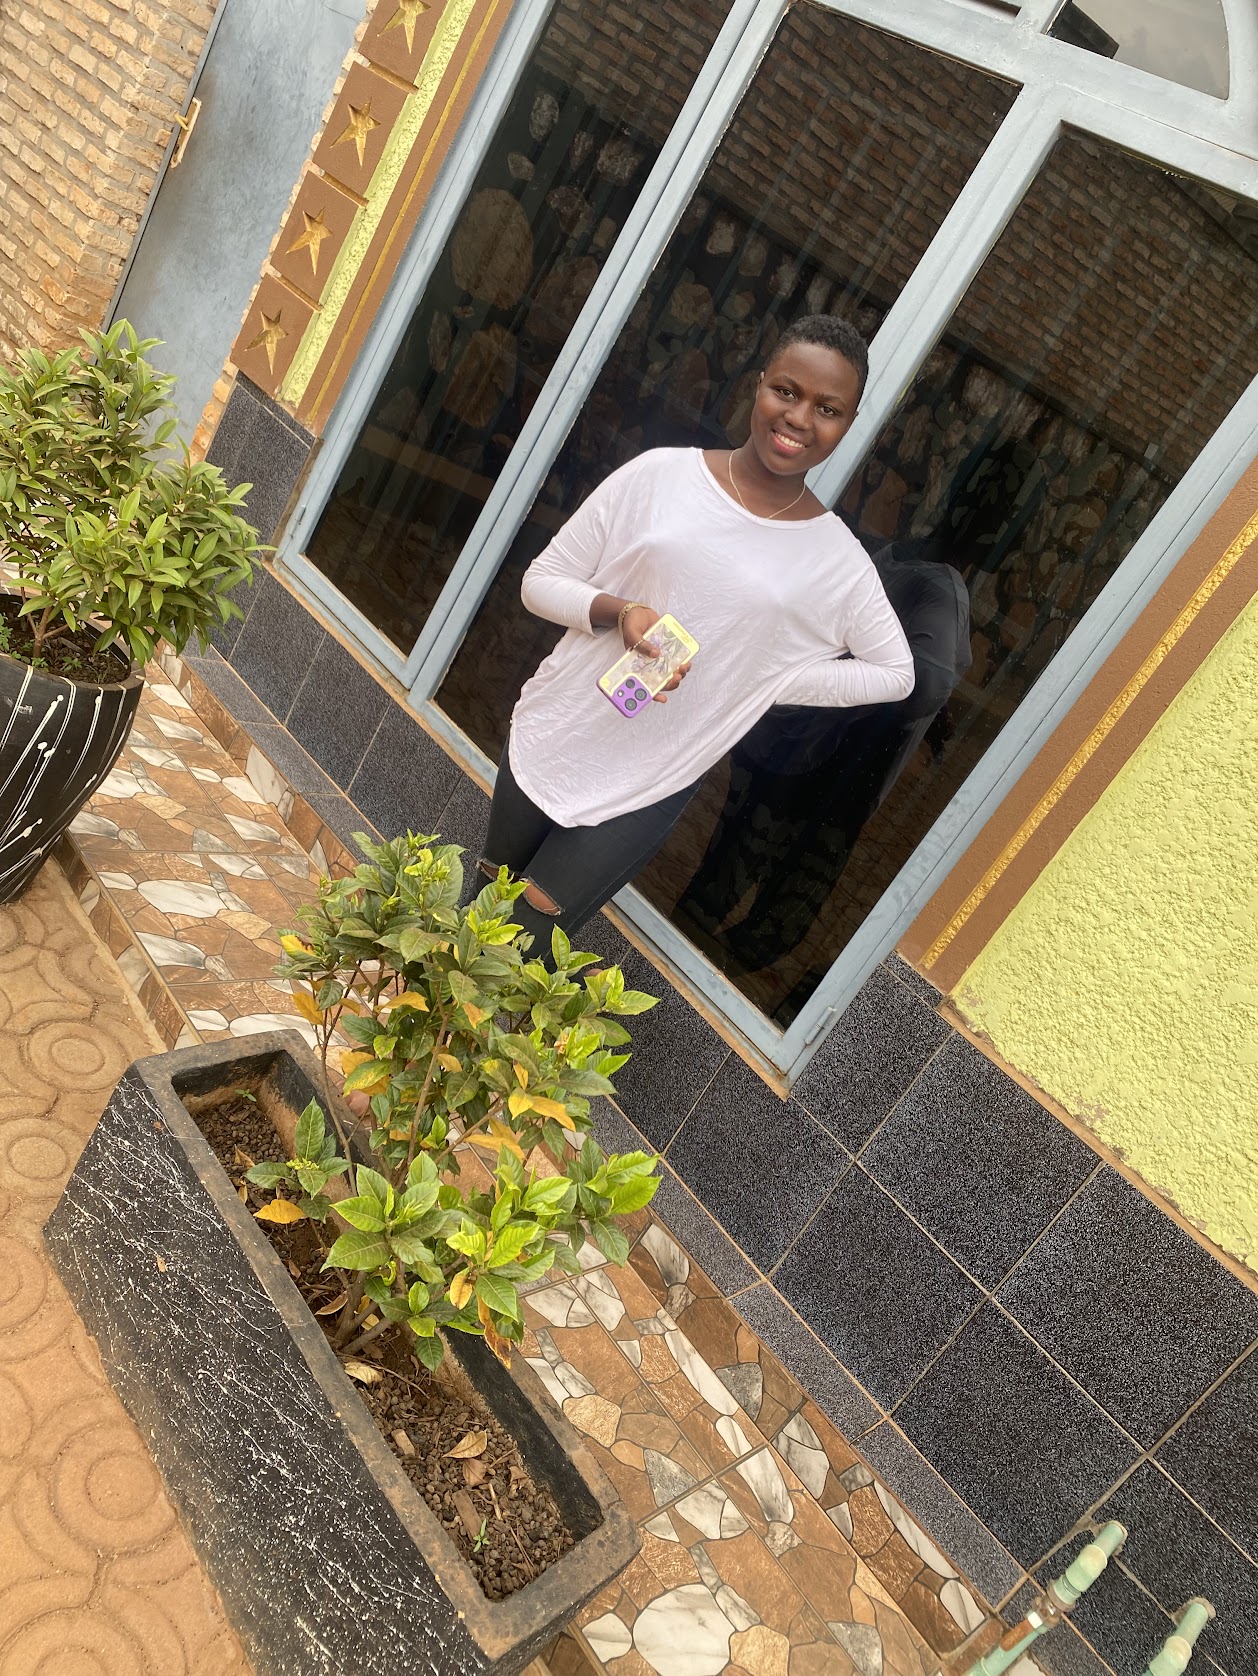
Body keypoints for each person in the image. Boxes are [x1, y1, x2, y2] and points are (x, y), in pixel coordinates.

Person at [480, 314, 916, 954]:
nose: (799, 418)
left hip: (652, 777)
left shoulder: (837, 563)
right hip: (559, 728)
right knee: (478, 914)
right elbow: (541, 581)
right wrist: (620, 612)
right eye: (787, 391)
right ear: (759, 384)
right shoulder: (661, 474)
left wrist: (763, 680)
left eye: (827, 409)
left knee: (525, 944)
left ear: (846, 426)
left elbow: (895, 673)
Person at [676, 541, 972, 988]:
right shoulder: (934, 583)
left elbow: (924, 684)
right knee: (765, 908)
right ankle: (680, 982)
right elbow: (926, 687)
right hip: (830, 769)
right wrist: (839, 703)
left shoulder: (893, 565)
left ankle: (677, 979)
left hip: (802, 757)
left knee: (730, 888)